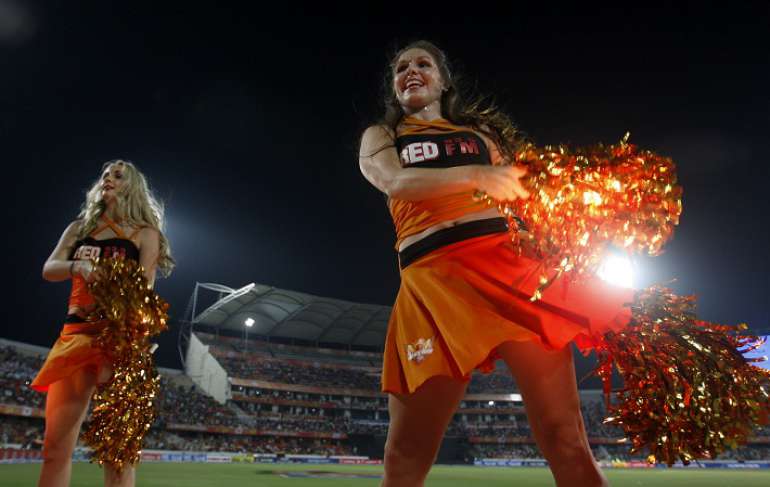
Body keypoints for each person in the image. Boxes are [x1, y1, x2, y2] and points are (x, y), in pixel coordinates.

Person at [358, 40, 633, 487]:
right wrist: (477, 175)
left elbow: (528, 196)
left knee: (566, 439)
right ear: (393, 85)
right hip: (434, 281)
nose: (411, 70)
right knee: (404, 455)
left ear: (443, 80)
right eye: (401, 67)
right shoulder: (383, 136)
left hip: (510, 271)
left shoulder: (482, 137)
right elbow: (395, 181)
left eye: (423, 64)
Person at [31, 160, 174, 487]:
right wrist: (76, 268)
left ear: (132, 186)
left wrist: (136, 335)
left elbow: (146, 289)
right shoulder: (79, 228)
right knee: (55, 448)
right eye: (105, 175)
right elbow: (49, 268)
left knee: (118, 454)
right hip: (75, 337)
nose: (108, 179)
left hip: (119, 342)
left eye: (118, 176)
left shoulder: (145, 234)